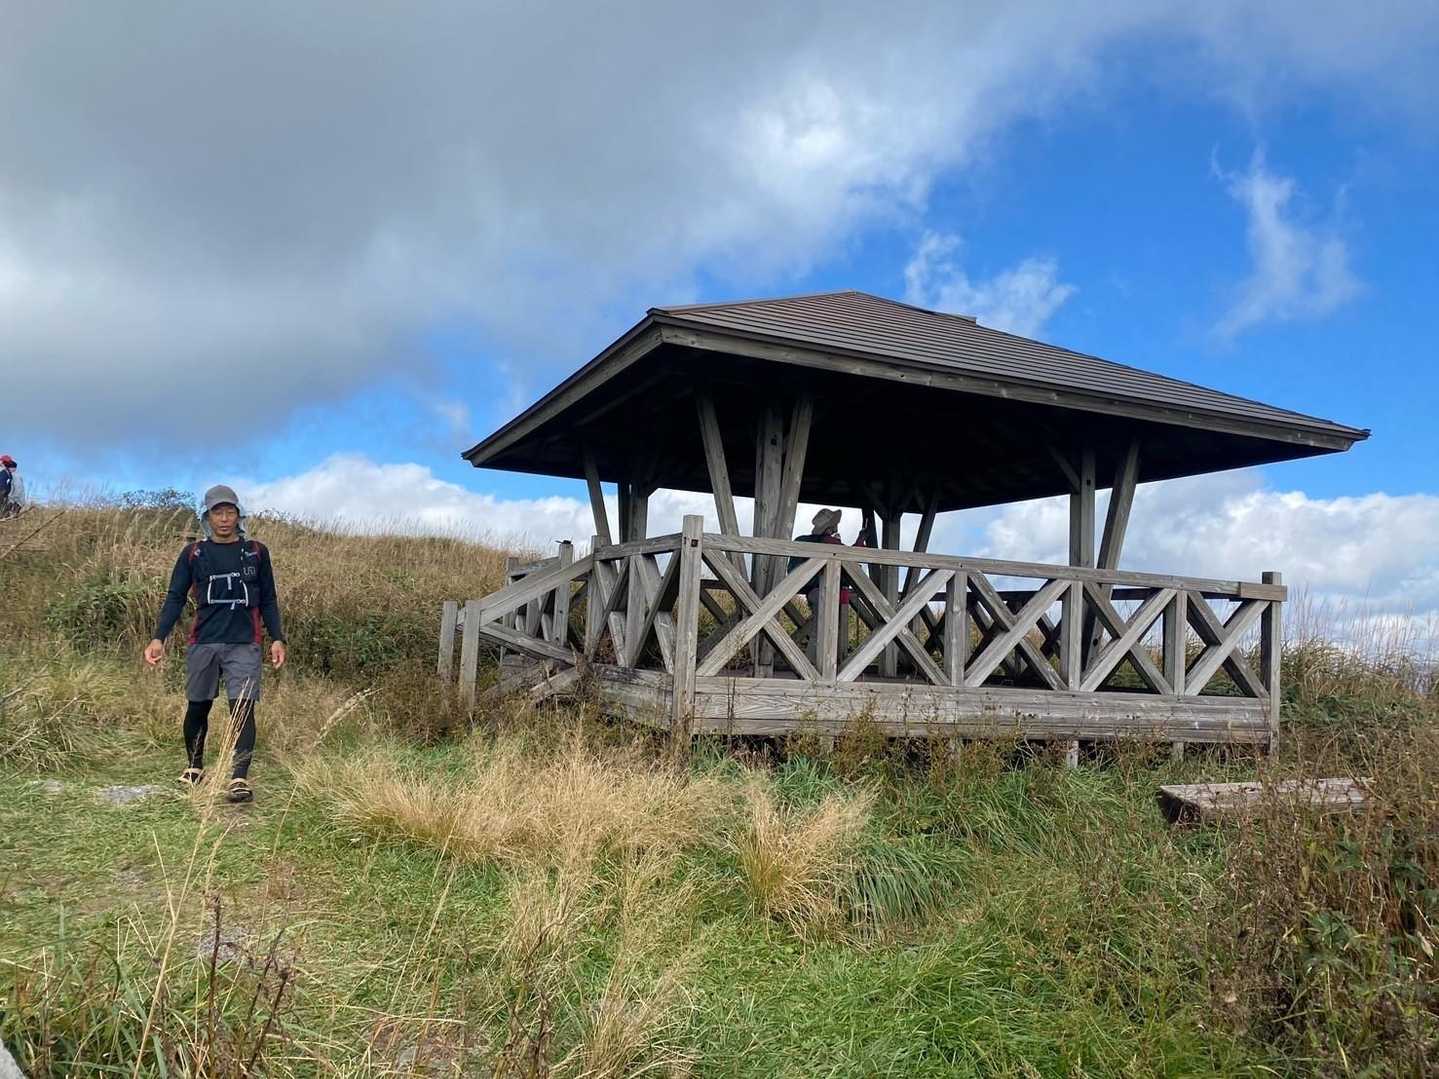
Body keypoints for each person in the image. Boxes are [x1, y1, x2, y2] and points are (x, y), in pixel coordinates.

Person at [143, 485, 286, 802]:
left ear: (238, 515)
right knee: (198, 705)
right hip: (204, 641)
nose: (224, 518)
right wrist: (158, 637)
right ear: (207, 517)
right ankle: (194, 767)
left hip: (245, 642)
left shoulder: (256, 552)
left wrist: (277, 638)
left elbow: (269, 599)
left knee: (242, 708)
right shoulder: (193, 554)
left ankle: (239, 777)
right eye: (217, 512)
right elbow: (175, 597)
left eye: (229, 512)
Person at [791, 508, 857, 667]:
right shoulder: (830, 542)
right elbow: (853, 554)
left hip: (813, 592)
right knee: (821, 631)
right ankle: (810, 667)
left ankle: (814, 667)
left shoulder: (804, 540)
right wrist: (861, 539)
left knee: (820, 630)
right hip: (823, 592)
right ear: (829, 528)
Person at [0, 454, 24, 518]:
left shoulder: (15, 476)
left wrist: (11, 501)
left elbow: (18, 490)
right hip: (12, 500)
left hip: (15, 501)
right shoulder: (8, 474)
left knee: (7, 516)